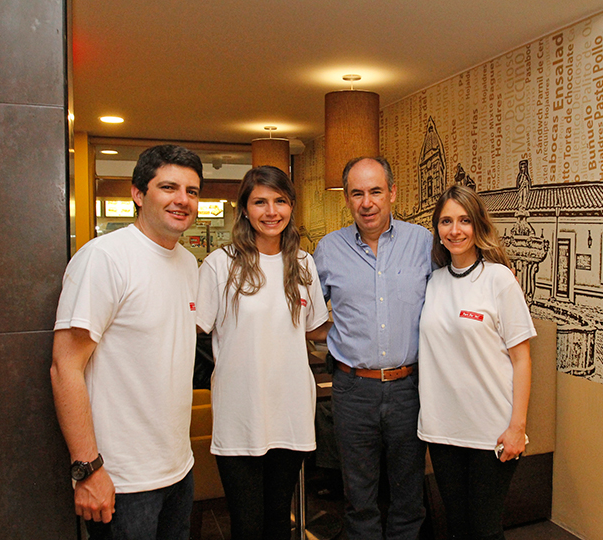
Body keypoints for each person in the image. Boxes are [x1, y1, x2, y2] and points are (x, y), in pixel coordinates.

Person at [50, 144, 203, 539]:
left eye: (192, 191)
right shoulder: (104, 259)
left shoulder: (187, 263)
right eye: (169, 187)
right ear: (138, 194)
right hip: (121, 479)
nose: (182, 200)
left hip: (177, 469)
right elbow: (65, 367)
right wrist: (87, 469)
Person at [196, 166, 330, 540]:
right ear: (244, 209)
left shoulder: (303, 264)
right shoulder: (220, 264)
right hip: (240, 416)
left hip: (290, 414)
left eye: (280, 201)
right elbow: (193, 328)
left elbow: (315, 329)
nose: (271, 211)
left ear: (291, 207)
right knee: (247, 525)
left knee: (277, 524)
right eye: (260, 202)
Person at [313, 156, 433, 540]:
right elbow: (307, 313)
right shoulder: (328, 249)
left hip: (409, 389)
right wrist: (341, 332)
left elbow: (461, 281)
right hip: (352, 390)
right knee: (358, 498)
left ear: (392, 194)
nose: (367, 202)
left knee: (408, 496)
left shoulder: (424, 243)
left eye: (376, 191)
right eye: (357, 193)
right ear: (347, 199)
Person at [417, 184, 535, 540]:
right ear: (437, 229)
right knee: (456, 526)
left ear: (478, 226)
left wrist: (517, 427)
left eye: (464, 220)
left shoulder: (499, 279)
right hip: (442, 429)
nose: (455, 230)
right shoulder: (433, 282)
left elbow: (522, 359)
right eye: (446, 221)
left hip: (491, 431)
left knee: (484, 529)